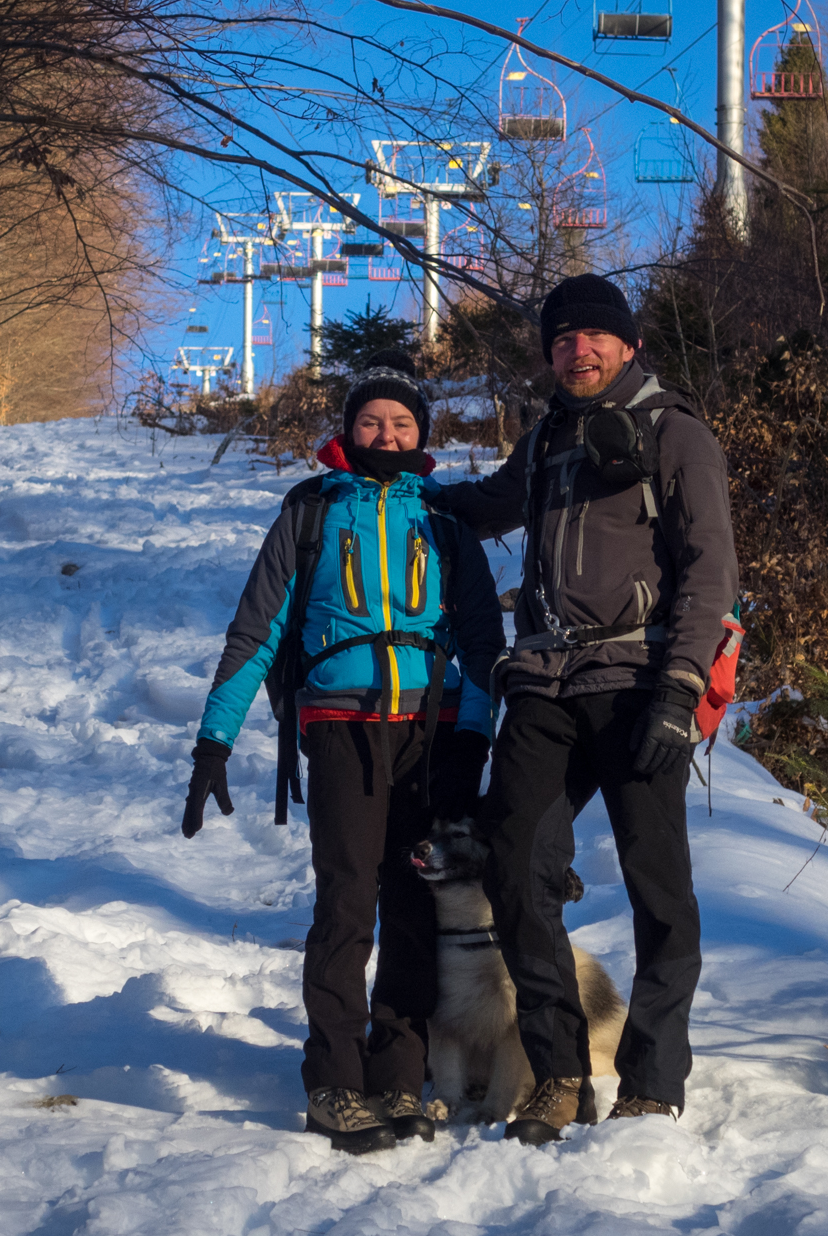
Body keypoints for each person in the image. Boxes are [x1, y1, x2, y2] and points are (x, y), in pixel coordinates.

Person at [434, 274, 739, 1144]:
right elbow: (484, 503)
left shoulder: (675, 433)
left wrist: (682, 687)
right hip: (543, 681)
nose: (579, 350)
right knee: (514, 862)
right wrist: (393, 486)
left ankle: (650, 1080)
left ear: (629, 343)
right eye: (563, 339)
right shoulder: (545, 440)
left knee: (658, 888)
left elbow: (711, 570)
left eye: (595, 337)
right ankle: (558, 1074)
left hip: (642, 681)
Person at [182, 354, 505, 1155]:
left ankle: (399, 1076)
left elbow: (482, 644)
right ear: (346, 428)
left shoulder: (446, 517)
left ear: (421, 434)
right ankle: (333, 1081)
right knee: (347, 902)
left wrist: (475, 730)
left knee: (413, 901)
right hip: (339, 726)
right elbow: (254, 632)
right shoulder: (312, 509)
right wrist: (213, 738)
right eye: (372, 421)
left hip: (428, 730)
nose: (386, 433)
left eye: (402, 423)